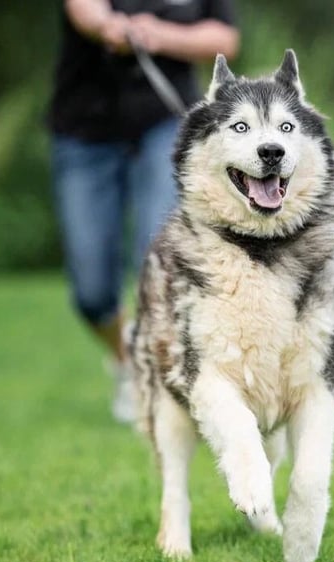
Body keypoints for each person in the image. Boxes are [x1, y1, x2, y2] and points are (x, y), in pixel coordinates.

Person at [48, 0, 239, 422]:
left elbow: (225, 38)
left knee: (159, 258)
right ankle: (126, 358)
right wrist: (106, 25)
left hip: (165, 122)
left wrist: (157, 35)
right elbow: (84, 9)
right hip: (84, 129)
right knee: (92, 292)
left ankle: (179, 380)